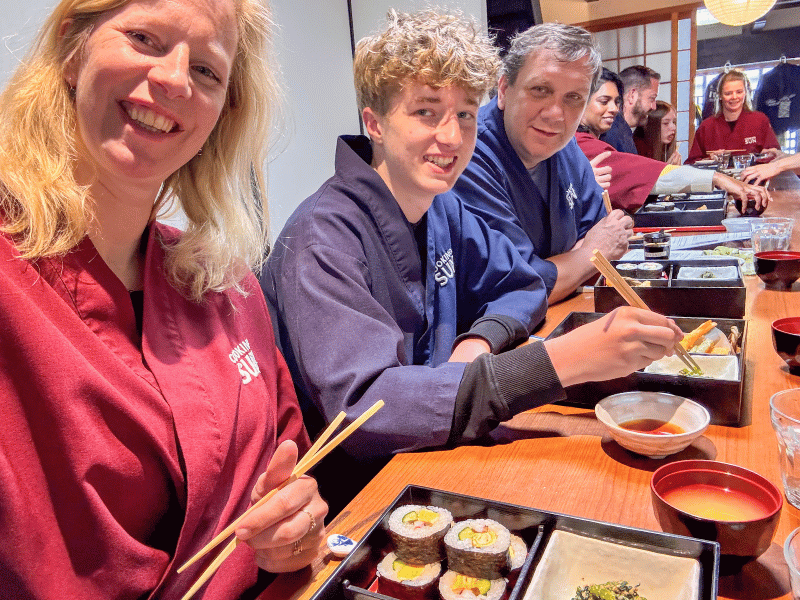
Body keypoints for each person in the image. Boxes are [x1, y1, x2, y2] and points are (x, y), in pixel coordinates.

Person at [262, 10, 684, 514]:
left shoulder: (443, 207)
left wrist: (478, 341)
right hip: (356, 496)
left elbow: (525, 281)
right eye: (425, 111)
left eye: (464, 114)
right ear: (374, 123)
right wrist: (562, 361)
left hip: (444, 445)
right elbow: (366, 410)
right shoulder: (322, 236)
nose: (452, 137)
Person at [0, 0, 327, 598]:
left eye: (207, 70)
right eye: (145, 38)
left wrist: (296, 525)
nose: (175, 79)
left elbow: (291, 471)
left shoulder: (228, 287)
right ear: (74, 51)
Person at [452, 24, 633, 304]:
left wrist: (569, 265)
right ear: (503, 90)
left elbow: (600, 225)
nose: (555, 114)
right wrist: (589, 254)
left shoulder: (564, 144)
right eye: (539, 90)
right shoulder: (468, 152)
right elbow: (519, 286)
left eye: (573, 98)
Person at [576, 68, 770, 212]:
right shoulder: (580, 143)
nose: (614, 109)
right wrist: (717, 178)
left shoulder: (759, 118)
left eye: (616, 102)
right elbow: (636, 172)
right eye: (604, 101)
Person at [686, 69, 781, 164]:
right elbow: (691, 164)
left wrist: (762, 157)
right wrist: (709, 160)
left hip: (753, 177)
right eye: (728, 93)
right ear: (720, 95)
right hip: (717, 177)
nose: (734, 97)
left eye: (739, 92)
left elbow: (775, 156)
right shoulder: (706, 126)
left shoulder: (760, 120)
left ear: (745, 93)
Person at [600, 65, 660, 155]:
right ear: (632, 96)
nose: (654, 107)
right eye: (652, 98)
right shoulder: (615, 133)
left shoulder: (620, 129)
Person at [634, 100, 681, 164]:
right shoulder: (638, 149)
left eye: (674, 122)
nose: (674, 127)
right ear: (652, 125)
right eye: (666, 123)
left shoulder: (664, 147)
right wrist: (667, 170)